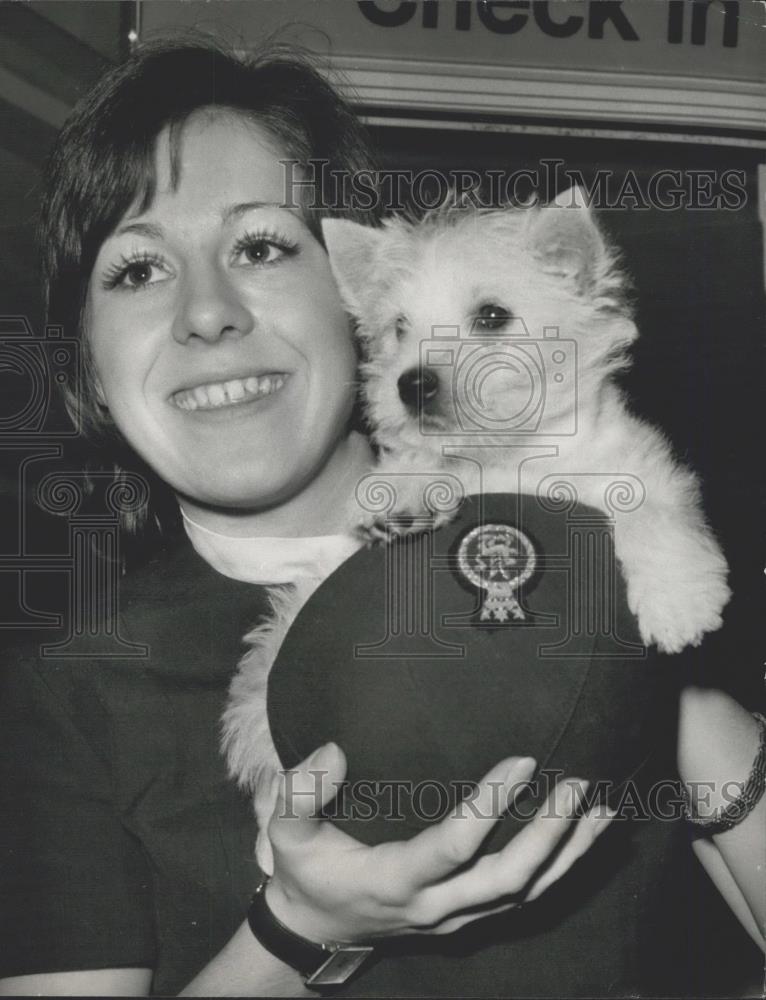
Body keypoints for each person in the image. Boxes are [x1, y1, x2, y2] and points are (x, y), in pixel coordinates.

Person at [0, 36, 762, 998]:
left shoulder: (612, 542)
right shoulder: (69, 698)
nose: (206, 313)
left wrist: (679, 697)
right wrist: (301, 930)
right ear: (86, 362)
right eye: (137, 271)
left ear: (348, 291)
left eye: (262, 245)